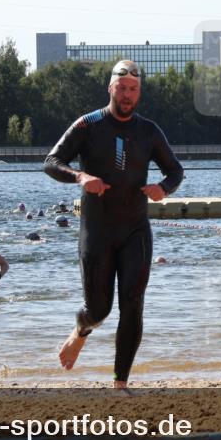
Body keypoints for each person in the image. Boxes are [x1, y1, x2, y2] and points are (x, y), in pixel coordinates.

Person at [44, 59, 184, 390]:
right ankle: (81, 330)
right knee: (98, 309)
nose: (126, 95)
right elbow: (51, 161)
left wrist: (163, 189)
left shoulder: (149, 131)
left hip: (135, 229)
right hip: (98, 230)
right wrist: (80, 176)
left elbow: (175, 171)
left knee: (132, 305)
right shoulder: (88, 124)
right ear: (110, 88)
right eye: (121, 88)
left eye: (133, 89)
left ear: (139, 93)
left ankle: (120, 384)